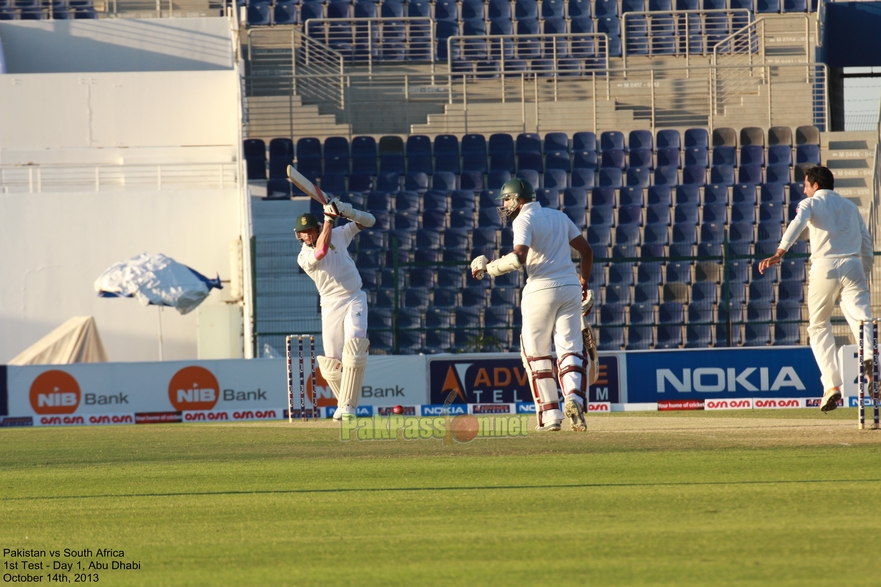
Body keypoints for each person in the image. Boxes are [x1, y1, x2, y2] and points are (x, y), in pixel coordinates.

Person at [471, 178, 595, 432]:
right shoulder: (559, 217)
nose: (504, 205)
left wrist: (488, 267)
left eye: (507, 199)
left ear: (518, 198)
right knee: (569, 348)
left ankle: (550, 415)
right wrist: (582, 282)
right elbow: (587, 252)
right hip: (570, 287)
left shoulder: (523, 220)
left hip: (540, 289)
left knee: (536, 354)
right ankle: (574, 397)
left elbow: (518, 258)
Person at [758, 165, 873, 412]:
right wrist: (864, 271)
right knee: (862, 318)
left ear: (815, 186)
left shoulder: (810, 203)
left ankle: (831, 386)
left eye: (806, 184)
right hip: (854, 264)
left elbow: (798, 222)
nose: (804, 188)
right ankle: (869, 358)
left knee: (819, 326)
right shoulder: (852, 207)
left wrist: (780, 251)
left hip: (825, 267)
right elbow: (866, 242)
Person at [295, 197, 376, 421]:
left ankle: (347, 406)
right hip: (330, 304)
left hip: (354, 297)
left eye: (312, 230)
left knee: (355, 346)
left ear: (317, 228)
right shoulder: (303, 256)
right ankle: (345, 404)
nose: (309, 235)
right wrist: (328, 219)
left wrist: (348, 211)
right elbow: (320, 252)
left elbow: (370, 221)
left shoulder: (339, 234)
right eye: (304, 232)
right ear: (299, 235)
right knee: (331, 364)